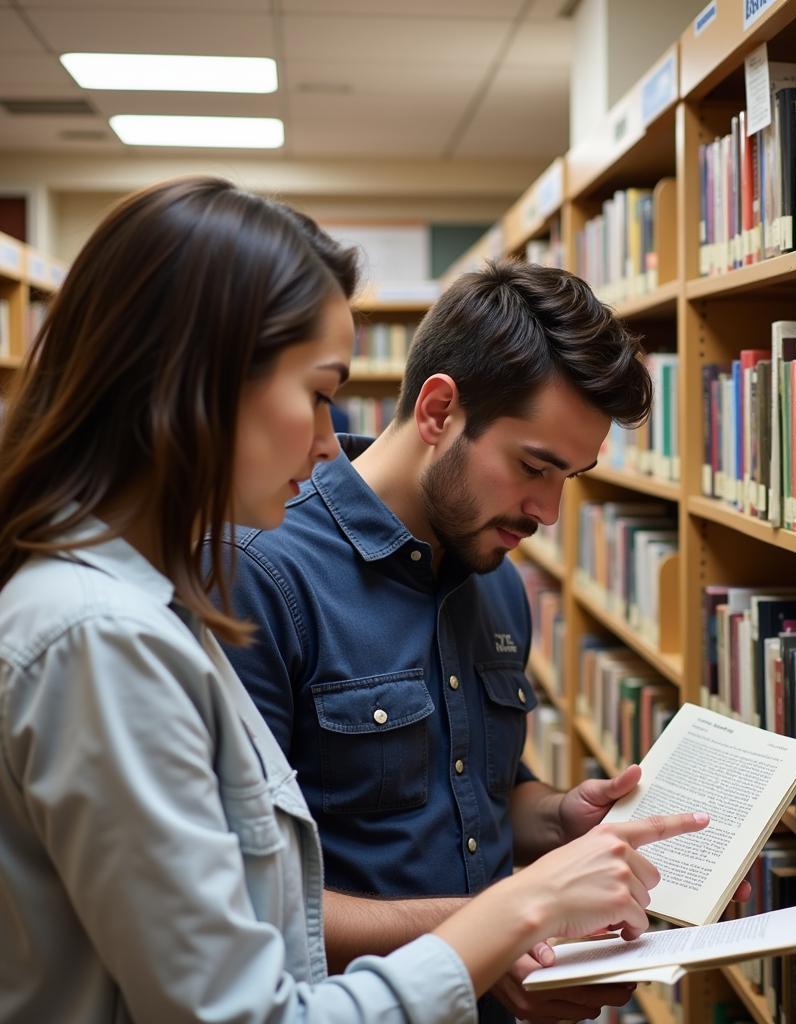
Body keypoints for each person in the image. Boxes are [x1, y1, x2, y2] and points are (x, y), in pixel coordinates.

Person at [0, 176, 713, 1023]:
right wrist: (509, 919)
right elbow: (252, 974)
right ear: (207, 384)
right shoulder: (136, 622)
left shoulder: (489, 580)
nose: (325, 438)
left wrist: (553, 822)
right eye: (319, 391)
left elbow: (417, 811)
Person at [218, 257, 752, 1022]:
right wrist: (498, 930)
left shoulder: (494, 571)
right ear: (438, 411)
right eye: (535, 466)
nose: (549, 511)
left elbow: (486, 789)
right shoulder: (263, 577)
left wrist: (561, 815)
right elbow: (249, 907)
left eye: (572, 475)